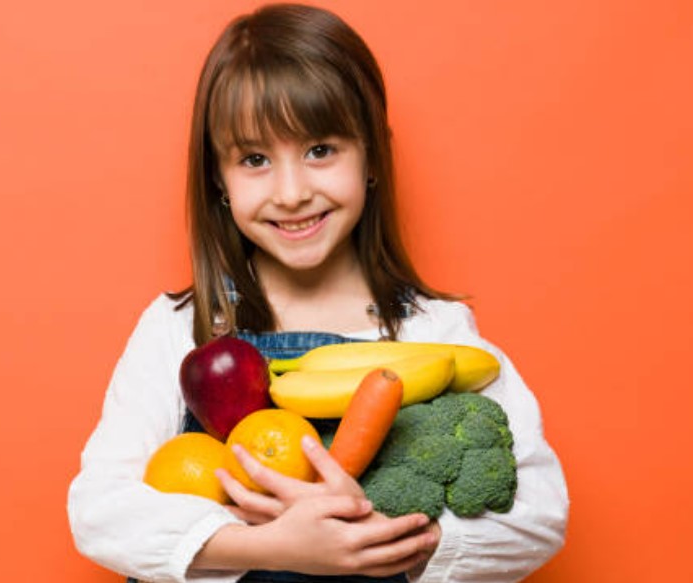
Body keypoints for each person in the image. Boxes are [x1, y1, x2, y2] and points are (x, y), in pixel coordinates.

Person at [67, 3, 568, 581]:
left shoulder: (432, 331)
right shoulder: (181, 327)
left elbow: (540, 517)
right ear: (219, 179)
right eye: (255, 159)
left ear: (372, 155)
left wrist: (383, 531)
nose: (291, 192)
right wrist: (268, 547)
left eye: (320, 150)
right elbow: (99, 511)